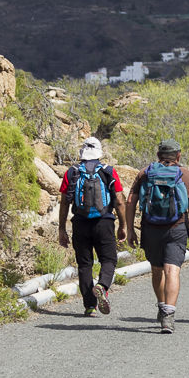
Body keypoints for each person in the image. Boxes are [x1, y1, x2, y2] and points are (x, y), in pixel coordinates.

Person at [128, 139, 189, 333]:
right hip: (176, 228)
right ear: (178, 156)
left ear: (158, 156)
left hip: (151, 228)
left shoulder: (145, 173)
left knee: (157, 270)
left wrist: (129, 229)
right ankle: (168, 318)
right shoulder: (185, 174)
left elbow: (131, 200)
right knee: (172, 271)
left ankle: (162, 306)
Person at [58, 136, 126, 317]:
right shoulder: (108, 171)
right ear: (99, 152)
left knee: (84, 264)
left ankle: (90, 306)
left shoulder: (71, 172)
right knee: (109, 260)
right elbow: (119, 200)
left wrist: (61, 229)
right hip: (104, 222)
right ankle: (102, 285)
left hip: (80, 223)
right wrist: (123, 225)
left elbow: (64, 202)